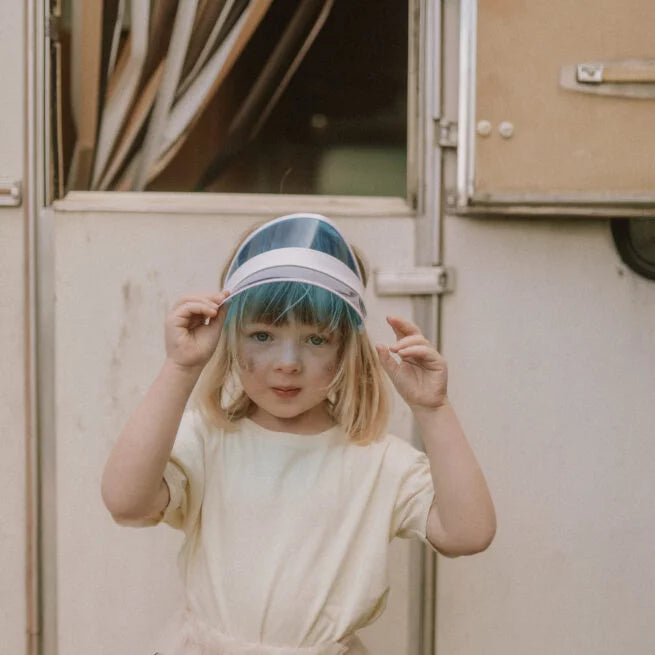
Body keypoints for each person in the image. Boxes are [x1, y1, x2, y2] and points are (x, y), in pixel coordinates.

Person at [101, 213, 496, 655]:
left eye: (315, 340)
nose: (288, 363)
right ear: (230, 340)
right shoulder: (209, 440)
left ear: (346, 349)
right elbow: (125, 502)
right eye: (262, 335)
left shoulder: (379, 461)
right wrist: (180, 368)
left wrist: (433, 409)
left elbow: (469, 533)